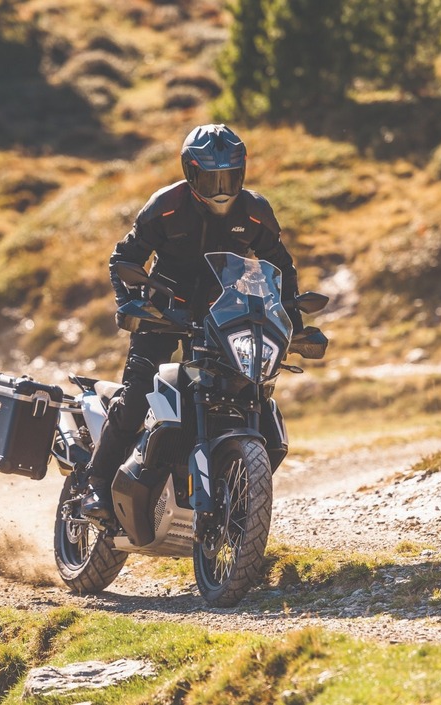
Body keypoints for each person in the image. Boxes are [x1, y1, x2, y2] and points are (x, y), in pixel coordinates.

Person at [81, 123, 303, 520]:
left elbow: (281, 267)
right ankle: (96, 485)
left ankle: (230, 489)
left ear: (242, 173)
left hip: (224, 316)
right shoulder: (166, 206)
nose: (220, 189)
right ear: (190, 172)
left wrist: (293, 323)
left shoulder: (255, 211)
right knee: (138, 395)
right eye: (210, 179)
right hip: (163, 315)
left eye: (228, 178)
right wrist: (130, 304)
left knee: (244, 391)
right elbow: (125, 259)